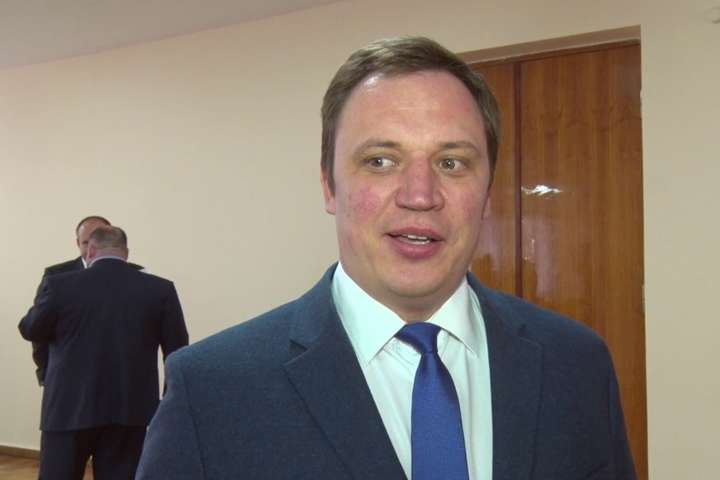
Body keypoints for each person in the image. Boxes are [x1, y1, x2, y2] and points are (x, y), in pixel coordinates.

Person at [136, 36, 636, 479]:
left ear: (487, 192)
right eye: (380, 161)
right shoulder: (211, 393)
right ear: (329, 185)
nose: (420, 195)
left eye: (451, 162)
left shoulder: (578, 363)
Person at [19, 226, 189, 480]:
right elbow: (177, 350)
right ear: (126, 253)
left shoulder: (59, 285)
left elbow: (30, 329)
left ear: (90, 251)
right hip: (129, 409)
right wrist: (168, 401)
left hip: (68, 407)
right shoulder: (160, 289)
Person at [29, 215, 144, 385]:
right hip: (69, 378)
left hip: (123, 377)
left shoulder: (138, 276)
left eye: (99, 241)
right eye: (86, 242)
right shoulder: (56, 277)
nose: (92, 248)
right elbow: (39, 329)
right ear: (78, 243)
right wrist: (45, 373)